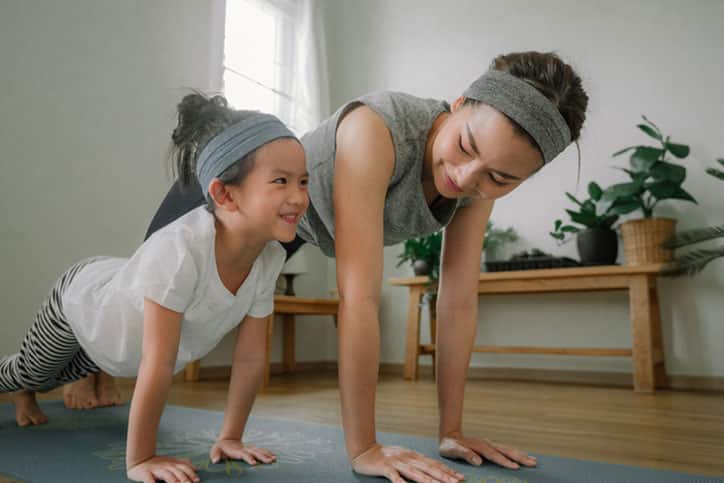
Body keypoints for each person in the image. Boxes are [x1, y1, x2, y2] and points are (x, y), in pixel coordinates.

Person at [71, 50, 589, 483]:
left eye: (499, 178)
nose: (466, 177)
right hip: (241, 204)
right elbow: (359, 297)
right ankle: (87, 365)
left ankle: (104, 376)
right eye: (465, 147)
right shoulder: (377, 129)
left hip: (291, 229)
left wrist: (450, 431)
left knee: (177, 325)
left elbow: (456, 300)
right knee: (133, 303)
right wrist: (364, 448)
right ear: (458, 105)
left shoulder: (477, 180)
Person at [0, 94, 309, 483]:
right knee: (30, 372)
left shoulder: (269, 260)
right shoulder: (181, 250)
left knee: (54, 376)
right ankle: (20, 388)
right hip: (80, 303)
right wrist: (141, 458)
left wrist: (231, 437)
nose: (299, 197)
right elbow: (157, 362)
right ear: (225, 194)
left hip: (116, 344)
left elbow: (249, 360)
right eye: (281, 181)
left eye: (303, 181)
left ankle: (30, 388)